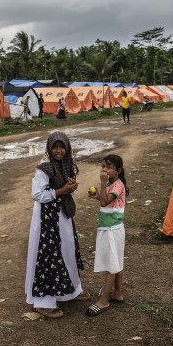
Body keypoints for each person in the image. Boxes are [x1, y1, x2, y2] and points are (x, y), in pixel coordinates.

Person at [25, 131, 90, 318]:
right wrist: (61, 190)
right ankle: (43, 301)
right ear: (49, 148)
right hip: (46, 218)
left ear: (67, 148)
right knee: (47, 254)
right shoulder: (44, 168)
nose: (59, 151)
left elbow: (68, 191)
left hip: (63, 214)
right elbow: (37, 194)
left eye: (62, 147)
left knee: (67, 250)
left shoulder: (68, 164)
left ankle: (72, 290)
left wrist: (71, 187)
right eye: (55, 147)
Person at [86, 154, 128, 316]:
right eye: (103, 166)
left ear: (118, 170)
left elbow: (105, 202)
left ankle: (103, 301)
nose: (104, 169)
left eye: (109, 167)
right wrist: (98, 194)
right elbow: (104, 200)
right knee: (116, 261)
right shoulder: (112, 184)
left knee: (111, 264)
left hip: (111, 230)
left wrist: (102, 184)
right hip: (111, 228)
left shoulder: (117, 185)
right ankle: (117, 293)